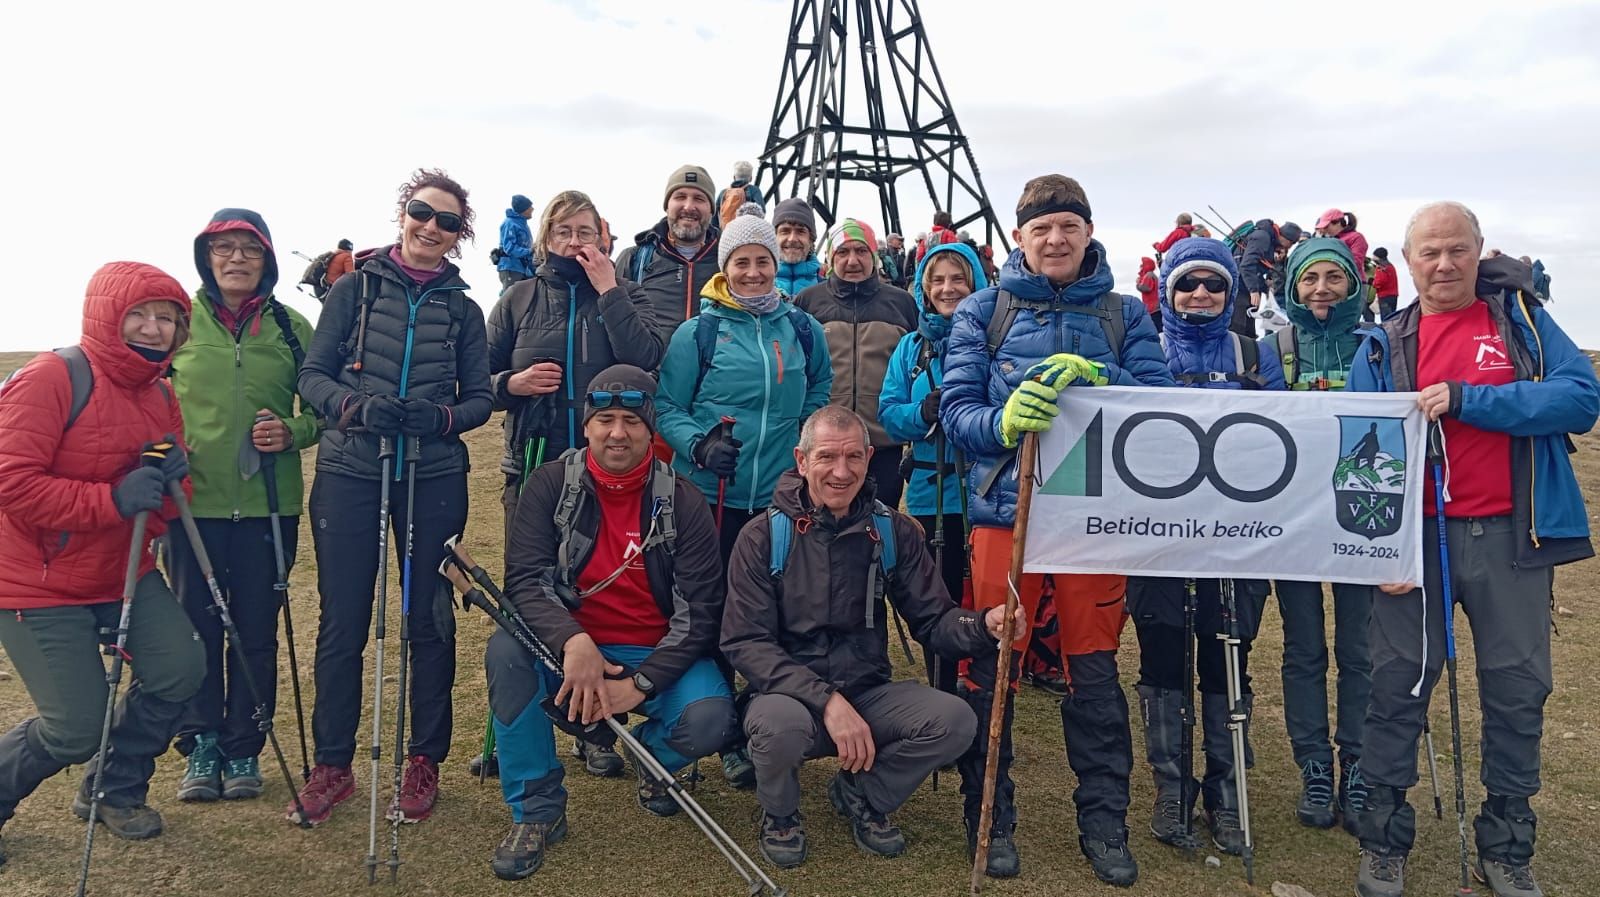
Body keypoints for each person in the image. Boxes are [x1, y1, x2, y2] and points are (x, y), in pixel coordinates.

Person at [1347, 201, 1598, 897]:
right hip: (1414, 543)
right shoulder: (1381, 344)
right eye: (1430, 252)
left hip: (1511, 536)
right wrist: (1378, 549)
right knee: (1397, 688)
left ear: (1479, 250)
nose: (1445, 264)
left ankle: (1508, 843)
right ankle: (1383, 840)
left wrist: (1468, 401)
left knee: (1518, 690)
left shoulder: (1520, 323)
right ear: (1408, 260)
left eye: (1458, 249)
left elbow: (1580, 398)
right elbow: (1355, 453)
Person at [941, 174, 1174, 886]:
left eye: (1068, 226)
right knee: (992, 664)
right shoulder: (985, 310)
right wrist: (1004, 423)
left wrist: (1097, 375)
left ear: (1088, 231)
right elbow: (956, 412)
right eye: (1041, 228)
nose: (1055, 239)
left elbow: (1160, 404)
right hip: (1002, 515)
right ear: (1020, 236)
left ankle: (1104, 823)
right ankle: (990, 814)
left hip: (1094, 520)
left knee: (1094, 669)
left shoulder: (1124, 313)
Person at [721, 406, 1023, 869]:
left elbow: (934, 621)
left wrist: (983, 626)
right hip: (785, 696)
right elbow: (746, 643)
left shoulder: (892, 531)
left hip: (867, 692)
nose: (841, 473)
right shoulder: (762, 536)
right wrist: (827, 701)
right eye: (826, 457)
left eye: (853, 458)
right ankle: (780, 816)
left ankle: (862, 793)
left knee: (956, 721)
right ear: (801, 461)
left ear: (868, 459)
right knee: (777, 728)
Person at [291, 169, 494, 826]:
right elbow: (313, 377)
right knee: (344, 620)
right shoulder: (353, 291)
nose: (430, 227)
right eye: (421, 212)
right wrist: (354, 407)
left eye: (446, 221)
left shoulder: (463, 309)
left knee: (429, 619)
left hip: (433, 476)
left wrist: (437, 419)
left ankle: (423, 758)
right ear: (403, 213)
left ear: (458, 234)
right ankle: (331, 765)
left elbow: (481, 399)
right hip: (352, 470)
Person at [488, 365, 737, 880]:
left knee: (710, 717)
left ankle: (652, 760)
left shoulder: (683, 499)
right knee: (507, 655)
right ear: (586, 427)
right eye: (604, 419)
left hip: (654, 649)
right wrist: (574, 641)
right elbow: (525, 582)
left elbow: (699, 612)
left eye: (631, 420)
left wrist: (641, 685)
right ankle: (537, 809)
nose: (617, 433)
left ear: (651, 429)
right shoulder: (550, 485)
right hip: (571, 651)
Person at [0, 262, 203, 865]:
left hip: (122, 573)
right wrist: (111, 500)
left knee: (179, 669)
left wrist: (169, 483)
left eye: (165, 317)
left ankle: (113, 788)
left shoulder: (162, 391)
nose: (151, 327)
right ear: (104, 318)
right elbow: (11, 483)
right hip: (35, 584)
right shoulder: (51, 378)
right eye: (137, 315)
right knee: (73, 729)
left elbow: (169, 493)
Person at [1127, 239, 1282, 859]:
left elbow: (1282, 438)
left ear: (1232, 292)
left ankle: (1227, 791)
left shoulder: (1255, 353)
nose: (1200, 295)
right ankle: (1172, 788)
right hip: (1158, 540)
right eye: (1187, 283)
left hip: (1235, 543)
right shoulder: (1146, 352)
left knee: (1227, 665)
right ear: (1166, 289)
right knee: (1162, 663)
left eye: (1213, 284)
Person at [169, 209, 319, 805]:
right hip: (190, 507)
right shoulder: (177, 321)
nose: (235, 259)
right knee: (197, 627)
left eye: (248, 250)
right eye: (222, 248)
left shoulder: (292, 327)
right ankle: (200, 742)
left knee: (256, 630)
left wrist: (293, 430)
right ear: (206, 256)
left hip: (269, 506)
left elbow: (327, 407)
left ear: (268, 260)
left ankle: (244, 748)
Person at [1256, 237, 1378, 834]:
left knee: (1360, 650)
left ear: (1355, 284)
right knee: (1304, 648)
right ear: (1292, 286)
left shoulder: (1375, 348)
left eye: (1335, 277)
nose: (1322, 289)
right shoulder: (1272, 349)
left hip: (1361, 520)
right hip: (1296, 523)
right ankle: (1314, 767)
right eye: (1311, 279)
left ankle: (1356, 762)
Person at [487, 190, 664, 532]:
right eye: (563, 232)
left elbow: (644, 358)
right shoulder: (518, 298)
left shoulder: (627, 292)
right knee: (529, 571)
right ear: (546, 239)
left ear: (600, 238)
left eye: (584, 232)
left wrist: (609, 292)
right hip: (532, 459)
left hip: (610, 459)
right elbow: (477, 382)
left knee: (602, 572)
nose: (573, 242)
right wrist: (511, 384)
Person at [878, 241, 989, 694]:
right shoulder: (910, 348)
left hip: (983, 491)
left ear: (975, 283)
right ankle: (943, 688)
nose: (947, 289)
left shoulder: (994, 338)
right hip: (928, 490)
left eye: (957, 279)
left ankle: (983, 690)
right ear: (923, 287)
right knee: (935, 599)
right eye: (937, 280)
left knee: (984, 599)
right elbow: (888, 412)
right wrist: (922, 412)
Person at [793, 219, 919, 510]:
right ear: (829, 258)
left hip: (883, 444)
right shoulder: (808, 302)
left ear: (874, 256)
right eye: (842, 252)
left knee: (880, 523)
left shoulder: (901, 303)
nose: (852, 261)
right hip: (823, 444)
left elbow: (917, 366)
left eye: (861, 251)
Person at [615, 165, 721, 340]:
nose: (689, 206)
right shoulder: (634, 260)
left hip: (716, 366)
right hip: (651, 367)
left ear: (711, 210)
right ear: (667, 206)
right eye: (680, 197)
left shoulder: (729, 261)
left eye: (699, 199)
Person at [1236, 218, 1302, 335]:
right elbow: (1246, 265)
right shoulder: (1263, 238)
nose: (1290, 247)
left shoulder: (1269, 240)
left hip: (1246, 286)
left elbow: (1258, 267)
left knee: (1249, 330)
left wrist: (1264, 287)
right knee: (1239, 327)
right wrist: (1254, 290)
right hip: (1240, 288)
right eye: (1291, 243)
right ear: (1286, 238)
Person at [772, 198, 821, 296]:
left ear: (811, 240)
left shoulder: (828, 289)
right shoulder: (757, 284)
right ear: (773, 237)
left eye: (800, 231)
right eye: (785, 231)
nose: (792, 239)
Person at [497, 194, 536, 292]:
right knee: (510, 299)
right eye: (529, 207)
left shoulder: (523, 225)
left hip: (523, 269)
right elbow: (509, 248)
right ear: (523, 209)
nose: (532, 209)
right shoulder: (509, 223)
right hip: (511, 268)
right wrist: (529, 251)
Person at [716, 161, 764, 229]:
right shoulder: (754, 190)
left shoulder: (723, 193)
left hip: (726, 231)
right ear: (751, 178)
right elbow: (762, 211)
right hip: (746, 232)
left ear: (734, 177)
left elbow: (714, 214)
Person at [1370, 246, 1400, 320]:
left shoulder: (1382, 267)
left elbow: (1380, 281)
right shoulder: (1390, 266)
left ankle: (1387, 331)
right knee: (1392, 317)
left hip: (1385, 296)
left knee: (1386, 318)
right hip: (1393, 295)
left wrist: (1373, 283)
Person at [1136, 256, 1160, 332]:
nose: (1141, 266)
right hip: (1156, 308)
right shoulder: (1152, 275)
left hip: (1153, 308)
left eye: (1142, 264)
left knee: (1155, 329)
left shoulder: (1149, 275)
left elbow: (1146, 288)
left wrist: (1138, 284)